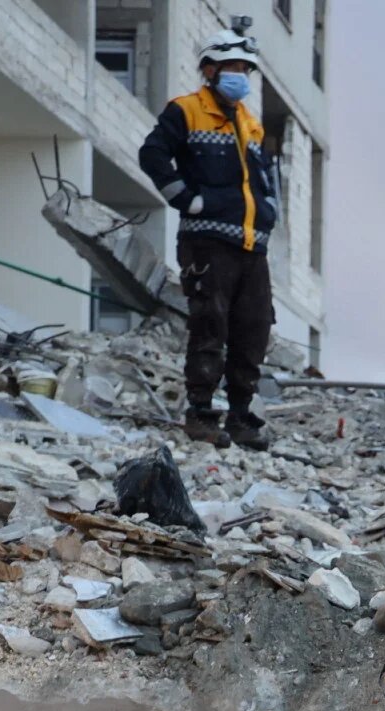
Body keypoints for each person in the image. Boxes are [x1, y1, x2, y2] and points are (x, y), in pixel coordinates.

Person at [138, 26, 279, 450]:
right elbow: (152, 154)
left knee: (252, 330)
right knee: (209, 325)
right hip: (208, 242)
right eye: (234, 67)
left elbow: (262, 182)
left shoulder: (250, 124)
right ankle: (200, 413)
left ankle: (240, 416)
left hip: (252, 245)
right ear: (211, 69)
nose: (241, 76)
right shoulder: (186, 110)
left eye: (246, 70)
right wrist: (185, 199)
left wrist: (269, 213)